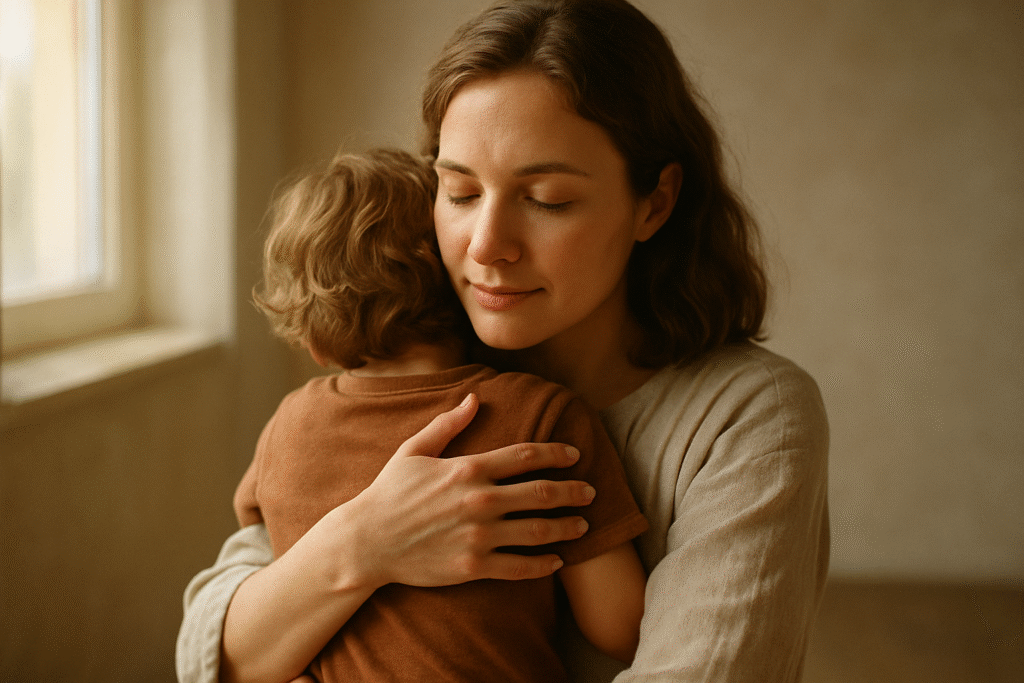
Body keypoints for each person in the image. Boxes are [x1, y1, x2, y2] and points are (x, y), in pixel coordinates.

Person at [177, 1, 830, 681]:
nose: (486, 246)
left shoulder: (750, 418)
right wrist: (365, 539)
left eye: (547, 198)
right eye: (459, 192)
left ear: (655, 203)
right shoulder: (397, 384)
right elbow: (212, 652)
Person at [234, 146, 648, 682]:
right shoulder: (542, 416)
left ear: (314, 340)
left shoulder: (286, 425)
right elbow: (625, 627)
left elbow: (257, 548)